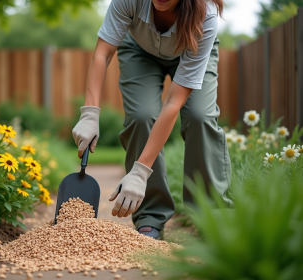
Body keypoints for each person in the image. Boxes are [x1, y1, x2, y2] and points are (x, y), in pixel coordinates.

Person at [72, 0, 233, 239]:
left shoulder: (205, 15)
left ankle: (212, 214)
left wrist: (140, 171)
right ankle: (150, 215)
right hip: (139, 51)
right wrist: (90, 112)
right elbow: (102, 53)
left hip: (192, 44)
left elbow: (173, 103)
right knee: (141, 116)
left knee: (200, 117)